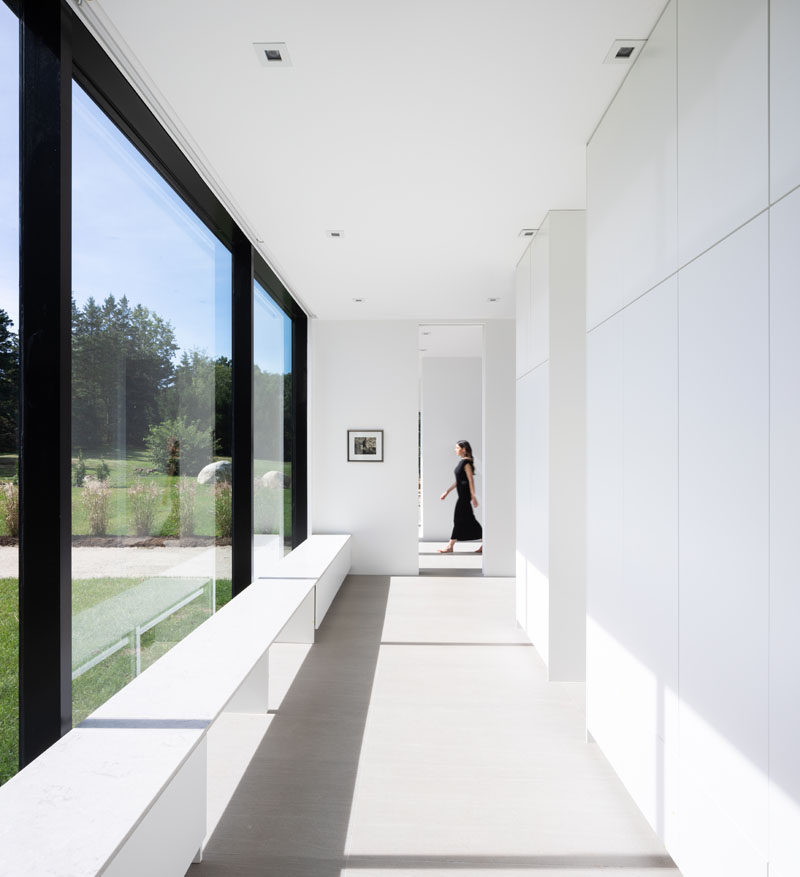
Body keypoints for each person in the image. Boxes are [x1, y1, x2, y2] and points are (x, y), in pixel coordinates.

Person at [438, 439, 483, 554]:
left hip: (465, 496)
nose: (455, 450)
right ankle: (487, 542)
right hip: (462, 495)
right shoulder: (462, 461)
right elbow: (458, 481)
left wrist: (473, 496)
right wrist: (447, 492)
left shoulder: (467, 462)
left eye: (457, 448)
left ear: (464, 449)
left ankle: (450, 546)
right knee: (469, 520)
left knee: (458, 519)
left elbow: (470, 479)